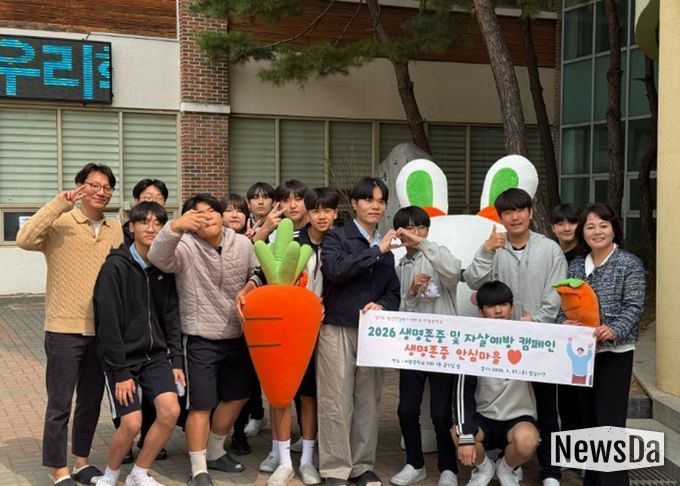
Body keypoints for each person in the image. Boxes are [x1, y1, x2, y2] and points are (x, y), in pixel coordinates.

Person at [16, 163, 123, 486]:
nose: (101, 192)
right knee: (60, 403)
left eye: (107, 187)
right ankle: (57, 468)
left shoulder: (115, 229)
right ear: (80, 186)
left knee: (90, 401)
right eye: (94, 185)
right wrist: (59, 203)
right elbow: (24, 238)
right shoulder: (60, 223)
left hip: (102, 330)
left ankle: (81, 462)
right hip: (64, 329)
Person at [148, 194, 260, 486]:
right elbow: (157, 257)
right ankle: (198, 469)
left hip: (237, 333)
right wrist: (175, 227)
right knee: (201, 404)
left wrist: (249, 287)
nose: (208, 216)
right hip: (199, 337)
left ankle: (215, 450)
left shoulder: (242, 243)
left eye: (212, 210)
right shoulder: (184, 246)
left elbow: (258, 271)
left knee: (239, 395)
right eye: (198, 213)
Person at [464, 188, 566, 486]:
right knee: (504, 403)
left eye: (520, 210)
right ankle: (506, 463)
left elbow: (557, 292)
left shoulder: (549, 249)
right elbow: (473, 280)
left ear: (531, 213)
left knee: (547, 408)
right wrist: (486, 251)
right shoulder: (494, 247)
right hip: (500, 344)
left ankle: (551, 472)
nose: (515, 217)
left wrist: (537, 322)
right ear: (500, 217)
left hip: (539, 341)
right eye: (508, 212)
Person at [317, 177, 401, 486]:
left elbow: (394, 292)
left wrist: (382, 305)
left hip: (373, 333)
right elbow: (336, 270)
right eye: (368, 199)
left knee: (368, 401)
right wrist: (376, 251)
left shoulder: (387, 246)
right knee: (335, 401)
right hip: (337, 327)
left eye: (381, 201)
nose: (375, 206)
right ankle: (335, 468)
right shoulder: (337, 237)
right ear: (354, 204)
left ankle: (362, 465)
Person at [93, 202, 183, 486]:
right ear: (131, 227)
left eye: (158, 223)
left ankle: (139, 473)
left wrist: (176, 360)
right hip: (122, 359)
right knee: (132, 423)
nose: (151, 228)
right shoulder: (115, 267)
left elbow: (171, 317)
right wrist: (120, 373)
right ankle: (110, 476)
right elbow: (107, 323)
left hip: (155, 356)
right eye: (144, 222)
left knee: (170, 412)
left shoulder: (164, 268)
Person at [258, 187, 340, 486]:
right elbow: (263, 271)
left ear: (335, 214)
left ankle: (306, 459)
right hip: (287, 327)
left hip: (322, 329)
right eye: (316, 210)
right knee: (280, 393)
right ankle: (282, 460)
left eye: (326, 210)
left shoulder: (338, 242)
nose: (321, 216)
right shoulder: (290, 239)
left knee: (309, 395)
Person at [559, 204, 645, 486]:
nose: (597, 232)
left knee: (609, 425)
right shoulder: (576, 265)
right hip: (581, 356)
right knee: (587, 422)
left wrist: (614, 329)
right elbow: (564, 305)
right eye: (590, 226)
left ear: (613, 229)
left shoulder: (629, 263)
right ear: (583, 232)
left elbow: (634, 306)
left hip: (614, 354)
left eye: (603, 225)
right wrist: (564, 323)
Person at [390, 206, 461, 486]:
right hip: (413, 348)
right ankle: (415, 464)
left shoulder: (438, 254)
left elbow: (453, 273)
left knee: (441, 413)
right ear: (399, 233)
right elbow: (399, 313)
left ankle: (448, 468)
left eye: (420, 227)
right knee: (407, 409)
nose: (415, 232)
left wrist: (424, 244)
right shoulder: (399, 268)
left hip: (442, 346)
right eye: (408, 227)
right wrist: (410, 293)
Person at [452, 281, 540, 486]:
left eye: (503, 304)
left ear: (512, 307)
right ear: (481, 311)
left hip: (518, 417)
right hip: (483, 416)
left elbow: (552, 364)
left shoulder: (528, 337)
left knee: (528, 441)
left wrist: (536, 333)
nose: (498, 310)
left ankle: (506, 469)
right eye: (491, 306)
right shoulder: (473, 342)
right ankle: (484, 469)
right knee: (458, 433)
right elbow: (462, 392)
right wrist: (466, 437)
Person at [119, 178, 172, 464]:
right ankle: (125, 441)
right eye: (146, 196)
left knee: (158, 396)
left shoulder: (167, 246)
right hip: (128, 336)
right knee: (125, 396)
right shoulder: (120, 250)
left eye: (158, 197)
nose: (151, 199)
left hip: (157, 333)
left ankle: (150, 438)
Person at [549, 203, 581, 435]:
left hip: (578, 332)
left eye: (572, 222)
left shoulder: (586, 256)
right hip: (551, 330)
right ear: (553, 228)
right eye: (560, 223)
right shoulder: (549, 254)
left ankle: (579, 446)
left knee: (577, 397)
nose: (567, 228)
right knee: (557, 398)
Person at [124, 179, 170, 246]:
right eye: (148, 197)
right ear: (137, 201)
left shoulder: (170, 231)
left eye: (159, 198)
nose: (153, 201)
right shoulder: (124, 234)